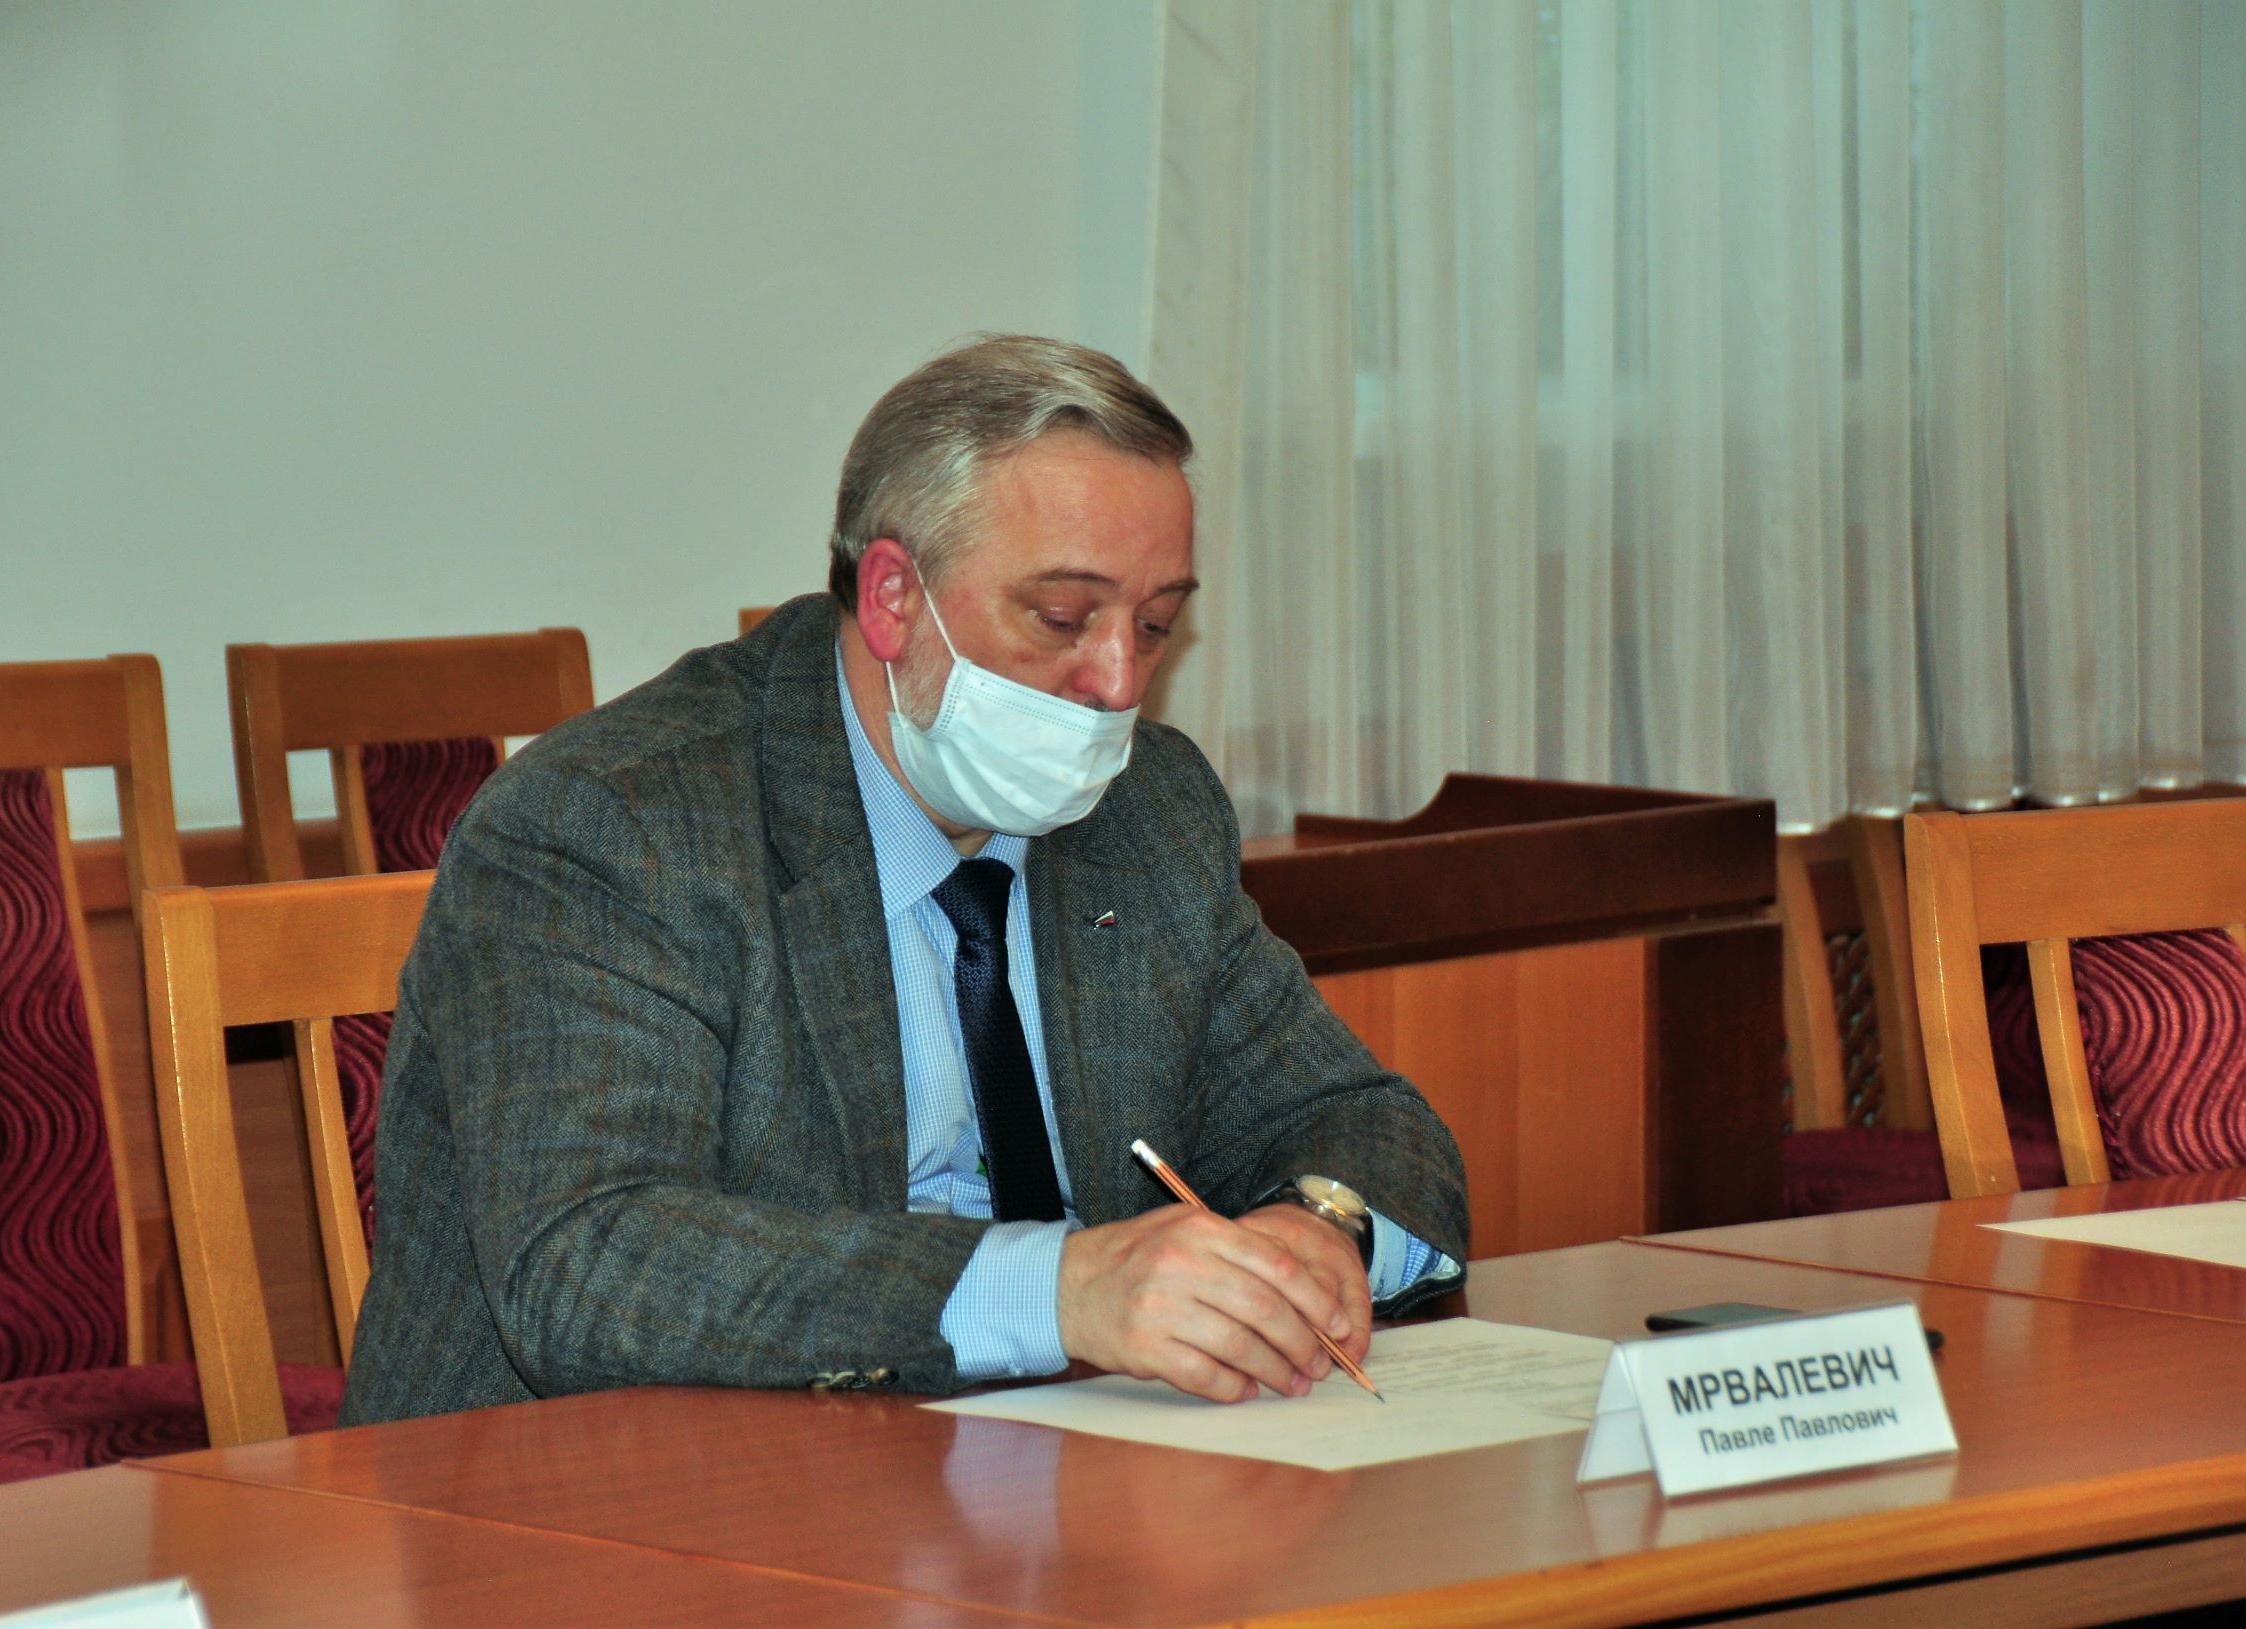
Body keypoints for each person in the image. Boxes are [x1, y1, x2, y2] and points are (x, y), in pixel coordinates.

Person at [340, 336, 1468, 1425]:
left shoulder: (1145, 811)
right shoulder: (616, 819)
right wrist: (1063, 1289)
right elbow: (591, 1263)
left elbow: (1365, 1123)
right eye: (1063, 618)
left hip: (1034, 1480)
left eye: (1157, 623)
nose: (1119, 681)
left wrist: (1314, 1233)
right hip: (584, 1504)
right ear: (891, 598)